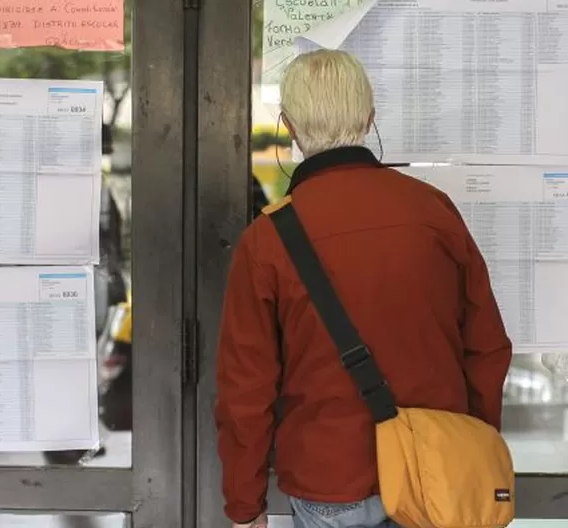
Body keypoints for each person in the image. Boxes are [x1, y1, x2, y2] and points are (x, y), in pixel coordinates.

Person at [214, 49, 512, 528]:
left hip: (330, 480)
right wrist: (474, 442)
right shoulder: (434, 211)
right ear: (370, 117)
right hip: (436, 473)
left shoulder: (267, 240)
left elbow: (245, 391)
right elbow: (487, 347)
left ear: (289, 125)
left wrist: (244, 505)